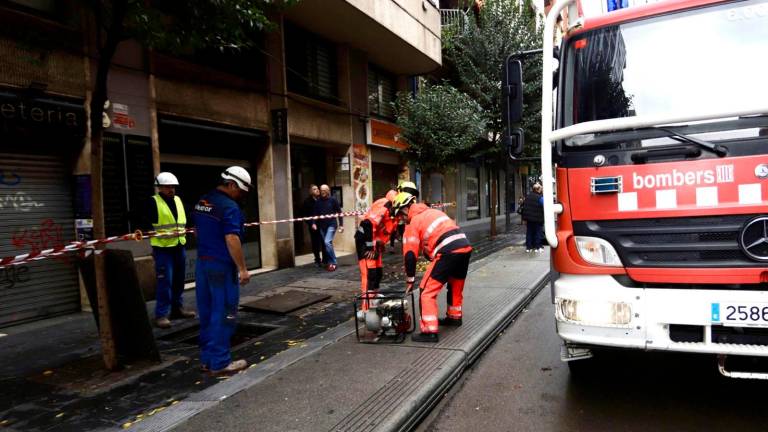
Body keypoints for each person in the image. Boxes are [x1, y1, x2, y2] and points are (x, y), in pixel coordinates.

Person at [193, 166, 252, 375]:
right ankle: (220, 362)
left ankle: (207, 360)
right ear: (232, 184)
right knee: (225, 313)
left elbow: (198, 232)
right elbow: (232, 238)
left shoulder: (203, 202)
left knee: (207, 312)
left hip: (202, 263)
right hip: (221, 266)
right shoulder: (229, 207)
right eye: (241, 191)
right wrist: (243, 269)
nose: (241, 196)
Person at [393, 192, 472, 343]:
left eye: (400, 214)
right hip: (464, 246)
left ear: (405, 208)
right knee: (455, 285)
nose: (400, 219)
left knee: (426, 290)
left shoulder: (413, 222)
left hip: (447, 250)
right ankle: (454, 317)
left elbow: (410, 255)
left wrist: (410, 281)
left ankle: (429, 331)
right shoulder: (432, 211)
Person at [146, 172, 196, 329]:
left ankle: (177, 309)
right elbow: (140, 219)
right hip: (162, 249)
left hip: (179, 246)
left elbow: (186, 218)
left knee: (179, 280)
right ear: (159, 187)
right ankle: (161, 315)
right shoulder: (153, 202)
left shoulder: (179, 201)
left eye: (173, 187)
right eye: (168, 187)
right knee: (165, 282)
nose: (171, 189)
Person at [355, 189, 401, 311]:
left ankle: (373, 300)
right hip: (365, 242)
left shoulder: (395, 211)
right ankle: (366, 308)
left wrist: (380, 243)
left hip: (374, 244)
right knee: (369, 275)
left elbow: (385, 230)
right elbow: (367, 224)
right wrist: (370, 247)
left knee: (377, 273)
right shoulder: (385, 205)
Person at [312, 184, 343, 271]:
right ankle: (330, 262)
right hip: (322, 226)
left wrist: (341, 225)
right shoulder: (318, 201)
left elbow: (339, 213)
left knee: (327, 242)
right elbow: (315, 214)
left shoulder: (333, 200)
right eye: (321, 190)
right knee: (328, 245)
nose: (323, 192)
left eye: (324, 190)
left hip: (332, 225)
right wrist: (314, 223)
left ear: (328, 191)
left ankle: (333, 262)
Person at [302, 184, 325, 267]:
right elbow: (304, 215)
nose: (317, 190)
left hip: (323, 224)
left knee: (324, 242)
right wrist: (311, 223)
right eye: (315, 189)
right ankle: (317, 260)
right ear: (311, 192)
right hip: (313, 226)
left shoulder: (321, 200)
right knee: (315, 243)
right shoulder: (307, 202)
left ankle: (325, 259)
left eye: (317, 188)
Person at [521, 183, 545, 252]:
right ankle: (538, 247)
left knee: (529, 232)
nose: (541, 190)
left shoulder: (527, 197)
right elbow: (544, 206)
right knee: (538, 232)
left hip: (529, 219)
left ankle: (529, 247)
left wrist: (524, 218)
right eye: (540, 189)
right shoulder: (540, 198)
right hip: (538, 218)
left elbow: (524, 207)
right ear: (538, 189)